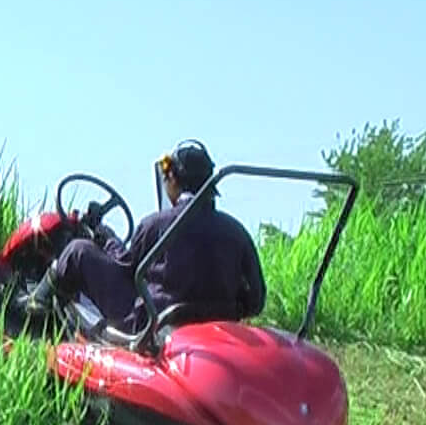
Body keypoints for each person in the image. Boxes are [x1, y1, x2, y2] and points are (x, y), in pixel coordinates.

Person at [22, 140, 265, 334]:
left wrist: (105, 237)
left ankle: (34, 306)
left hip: (151, 322)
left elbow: (125, 267)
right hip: (216, 329)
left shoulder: (155, 225)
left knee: (77, 251)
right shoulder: (237, 232)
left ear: (173, 179)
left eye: (167, 174)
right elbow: (256, 299)